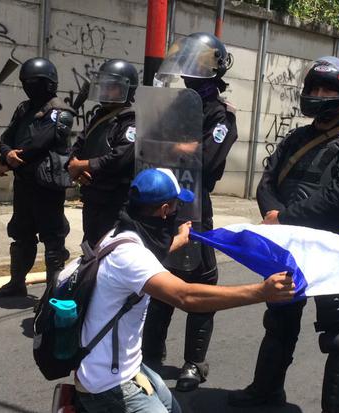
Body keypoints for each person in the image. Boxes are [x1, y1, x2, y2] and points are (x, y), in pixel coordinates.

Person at [74, 167, 295, 413]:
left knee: (173, 408)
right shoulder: (131, 256)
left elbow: (150, 255)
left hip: (121, 365)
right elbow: (186, 296)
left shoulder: (118, 235)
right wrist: (261, 292)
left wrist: (180, 239)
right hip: (108, 382)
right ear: (165, 210)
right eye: (176, 205)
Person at [227, 56, 339, 412]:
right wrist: (274, 215)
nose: (319, 94)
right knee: (279, 317)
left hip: (328, 246)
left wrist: (285, 216)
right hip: (288, 244)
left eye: (328, 89)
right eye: (315, 87)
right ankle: (265, 392)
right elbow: (268, 181)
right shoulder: (296, 138)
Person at [141, 32, 239, 392]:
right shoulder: (173, 106)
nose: (191, 72)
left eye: (200, 65)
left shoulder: (220, 114)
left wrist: (176, 148)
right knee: (158, 283)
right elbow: (146, 145)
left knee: (199, 283)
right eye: (189, 65)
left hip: (195, 207)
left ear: (214, 68)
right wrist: (175, 147)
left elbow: (209, 158)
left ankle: (194, 363)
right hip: (160, 205)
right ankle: (150, 356)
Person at [0, 57, 74, 297]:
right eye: (27, 82)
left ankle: (52, 292)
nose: (30, 86)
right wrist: (7, 154)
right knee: (21, 231)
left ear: (49, 83)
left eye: (36, 82)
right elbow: (7, 137)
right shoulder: (24, 108)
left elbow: (41, 142)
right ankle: (17, 282)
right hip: (25, 180)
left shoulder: (61, 111)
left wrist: (16, 158)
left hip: (47, 183)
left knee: (52, 237)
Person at [67, 59, 138, 247]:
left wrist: (83, 165)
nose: (106, 91)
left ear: (126, 88)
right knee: (89, 246)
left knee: (109, 248)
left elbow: (120, 157)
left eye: (112, 87)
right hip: (92, 195)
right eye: (104, 86)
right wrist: (76, 168)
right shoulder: (99, 116)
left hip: (115, 199)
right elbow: (80, 144)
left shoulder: (131, 121)